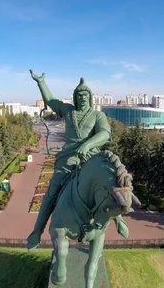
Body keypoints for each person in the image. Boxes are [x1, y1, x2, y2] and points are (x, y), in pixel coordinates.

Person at [27, 70, 129, 250]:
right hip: (68, 158)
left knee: (109, 185)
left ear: (90, 98)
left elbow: (105, 134)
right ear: (75, 97)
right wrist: (41, 83)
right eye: (79, 94)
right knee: (52, 190)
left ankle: (119, 220)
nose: (82, 97)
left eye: (85, 95)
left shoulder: (98, 116)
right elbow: (50, 101)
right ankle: (37, 231)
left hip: (92, 158)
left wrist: (88, 145)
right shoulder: (68, 110)